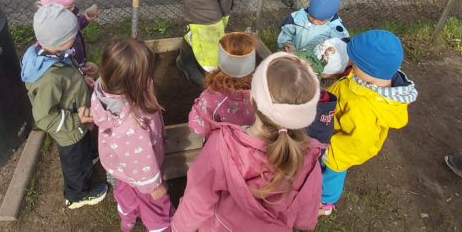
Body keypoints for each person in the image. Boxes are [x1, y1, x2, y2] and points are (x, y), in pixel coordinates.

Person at [172, 52, 323, 231]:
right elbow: (306, 213)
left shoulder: (223, 146)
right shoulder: (308, 158)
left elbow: (198, 196)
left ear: (251, 97)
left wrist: (179, 228)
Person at [319, 30, 418, 216]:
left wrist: (329, 152)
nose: (350, 65)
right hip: (333, 126)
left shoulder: (366, 107)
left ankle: (325, 202)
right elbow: (347, 86)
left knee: (332, 175)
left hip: (338, 150)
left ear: (367, 69)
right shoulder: (369, 78)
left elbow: (358, 144)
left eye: (353, 63)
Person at [21, 3, 107, 209]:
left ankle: (90, 158)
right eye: (73, 36)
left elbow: (67, 72)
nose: (76, 39)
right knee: (74, 163)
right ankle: (77, 195)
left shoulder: (52, 54)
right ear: (60, 41)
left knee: (84, 148)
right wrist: (76, 119)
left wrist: (81, 77)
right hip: (69, 130)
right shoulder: (48, 78)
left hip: (78, 118)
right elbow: (44, 118)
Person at [92, 38, 174, 232]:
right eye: (147, 75)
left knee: (125, 190)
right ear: (135, 83)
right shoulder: (132, 125)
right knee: (157, 208)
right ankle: (161, 228)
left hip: (121, 165)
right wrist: (154, 186)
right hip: (144, 173)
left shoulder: (103, 87)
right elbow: (141, 162)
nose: (151, 78)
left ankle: (127, 219)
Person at [188, 32, 256, 140]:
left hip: (222, 147)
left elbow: (197, 127)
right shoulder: (261, 94)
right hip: (251, 145)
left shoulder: (211, 98)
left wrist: (198, 104)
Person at [38, 0, 99, 86]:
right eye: (69, 7)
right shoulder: (54, 37)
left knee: (94, 69)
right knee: (87, 76)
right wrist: (79, 72)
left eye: (73, 4)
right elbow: (65, 65)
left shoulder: (64, 18)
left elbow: (75, 25)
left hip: (78, 62)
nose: (73, 8)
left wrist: (85, 19)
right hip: (71, 69)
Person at [277, 0, 349, 52]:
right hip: (293, 52)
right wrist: (286, 43)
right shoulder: (297, 18)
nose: (314, 21)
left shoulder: (337, 28)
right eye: (311, 16)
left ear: (330, 17)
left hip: (316, 62)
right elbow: (286, 31)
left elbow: (342, 46)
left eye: (320, 21)